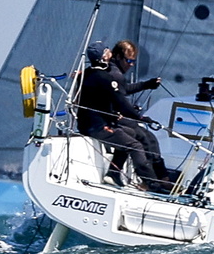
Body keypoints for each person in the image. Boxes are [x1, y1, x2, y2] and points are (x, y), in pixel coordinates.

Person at [72, 41, 174, 192]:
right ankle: (152, 184)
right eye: (129, 61)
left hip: (97, 121)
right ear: (105, 56)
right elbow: (121, 102)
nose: (109, 54)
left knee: (134, 134)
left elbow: (120, 92)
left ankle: (114, 173)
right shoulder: (106, 76)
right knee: (136, 144)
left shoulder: (92, 72)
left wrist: (146, 85)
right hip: (97, 125)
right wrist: (140, 118)